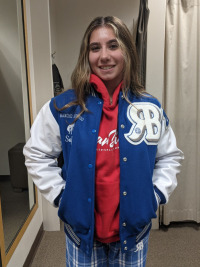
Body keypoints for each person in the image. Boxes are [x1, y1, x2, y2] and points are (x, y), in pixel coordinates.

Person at [23, 16, 184, 267]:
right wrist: (61, 196)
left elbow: (169, 157)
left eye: (113, 45)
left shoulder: (148, 107)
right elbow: (36, 154)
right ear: (86, 55)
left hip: (133, 233)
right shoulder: (64, 107)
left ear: (127, 51)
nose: (104, 56)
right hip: (82, 234)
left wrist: (154, 196)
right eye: (95, 48)